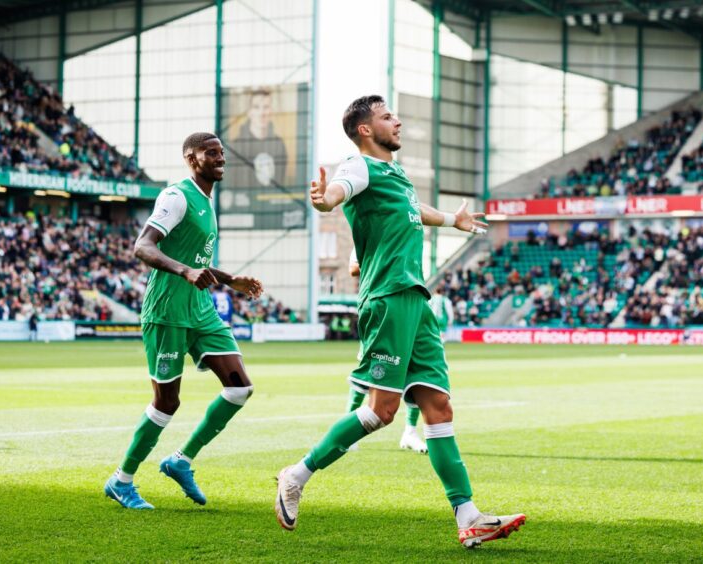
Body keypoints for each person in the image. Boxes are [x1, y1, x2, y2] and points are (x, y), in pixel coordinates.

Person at [274, 95, 525, 548]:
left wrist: (452, 220)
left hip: (415, 299)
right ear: (366, 129)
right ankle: (296, 475)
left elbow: (414, 209)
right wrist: (323, 200)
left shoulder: (394, 173)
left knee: (438, 407)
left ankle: (469, 517)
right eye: (388, 116)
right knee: (380, 412)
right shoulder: (359, 166)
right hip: (388, 297)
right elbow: (338, 193)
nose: (399, 121)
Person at [104, 132, 263, 510]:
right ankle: (121, 480)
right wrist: (184, 272)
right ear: (191, 158)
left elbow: (195, 260)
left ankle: (181, 460)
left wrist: (229, 280)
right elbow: (143, 245)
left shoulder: (207, 202)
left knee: (240, 387)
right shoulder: (176, 196)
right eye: (212, 152)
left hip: (201, 309)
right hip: (167, 310)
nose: (220, 157)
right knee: (167, 402)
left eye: (222, 152)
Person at [347, 250, 428, 454]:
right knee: (369, 368)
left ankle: (410, 432)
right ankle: (348, 429)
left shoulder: (408, 231)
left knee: (416, 370)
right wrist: (383, 261)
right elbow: (352, 269)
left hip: (408, 305)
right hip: (380, 305)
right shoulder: (370, 231)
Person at [230, 88, 289, 189]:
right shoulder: (236, 146)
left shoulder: (279, 145)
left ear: (271, 111)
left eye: (266, 107)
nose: (262, 113)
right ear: (249, 112)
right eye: (256, 107)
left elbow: (279, 184)